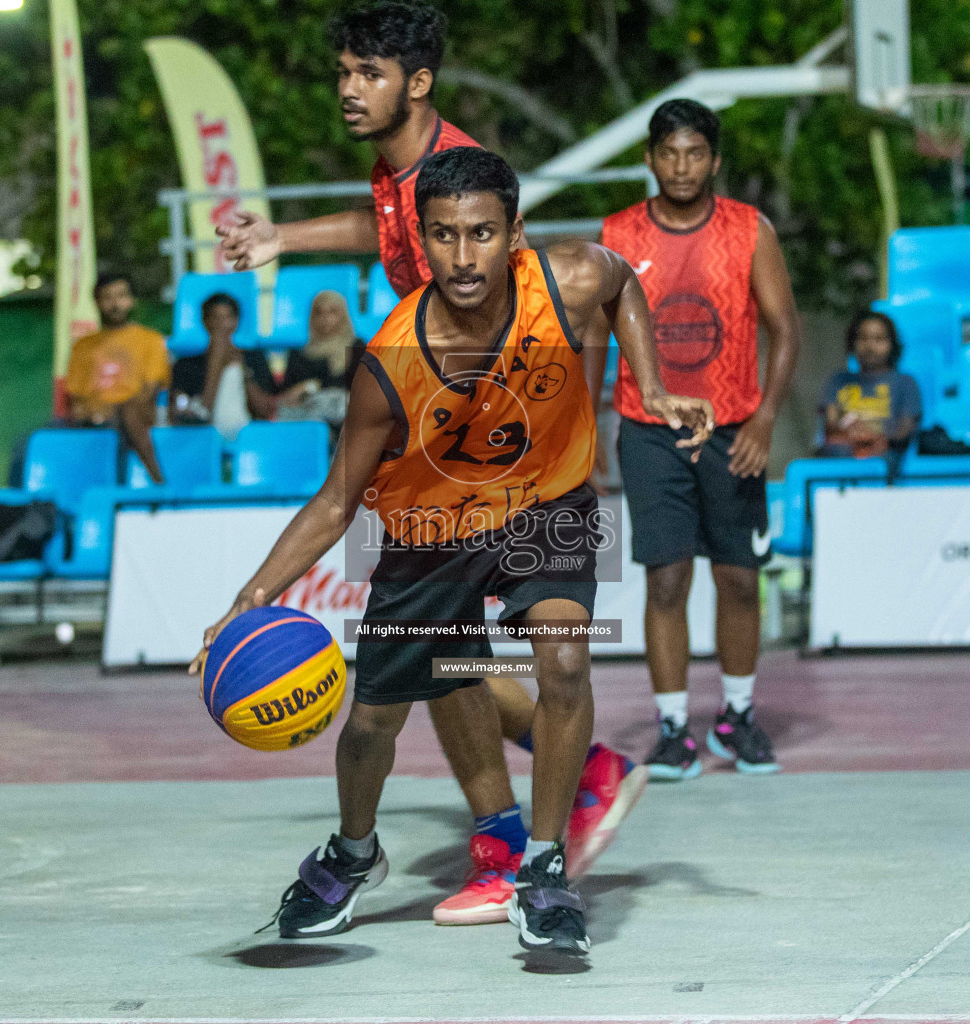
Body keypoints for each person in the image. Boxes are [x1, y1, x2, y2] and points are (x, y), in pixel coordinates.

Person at [194, 148, 714, 955]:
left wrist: (650, 385)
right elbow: (335, 501)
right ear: (423, 243)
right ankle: (352, 854)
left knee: (566, 665)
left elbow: (623, 283)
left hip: (547, 498)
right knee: (371, 723)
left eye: (480, 233)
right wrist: (245, 603)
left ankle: (543, 870)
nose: (462, 256)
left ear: (515, 233)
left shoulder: (567, 277)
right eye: (442, 236)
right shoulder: (391, 364)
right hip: (428, 528)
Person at [218, 0, 646, 926]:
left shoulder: (448, 181)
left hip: (507, 449)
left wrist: (630, 397)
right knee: (431, 670)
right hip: (432, 440)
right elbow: (385, 237)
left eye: (365, 74)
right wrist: (284, 239)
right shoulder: (398, 182)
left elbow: (604, 277)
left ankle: (522, 845)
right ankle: (554, 789)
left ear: (417, 83)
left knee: (514, 656)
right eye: (342, 72)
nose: (345, 90)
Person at [599, 99, 801, 781]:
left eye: (694, 153)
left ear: (714, 160)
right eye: (668, 153)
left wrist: (766, 419)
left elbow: (786, 327)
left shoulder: (750, 230)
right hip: (650, 429)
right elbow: (595, 334)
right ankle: (672, 729)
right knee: (667, 580)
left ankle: (738, 716)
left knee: (740, 580)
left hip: (734, 426)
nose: (681, 166)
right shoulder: (618, 233)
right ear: (651, 159)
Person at [64, 272, 170, 483]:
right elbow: (76, 397)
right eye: (107, 297)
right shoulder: (82, 347)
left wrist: (113, 410)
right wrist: (92, 413)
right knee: (29, 442)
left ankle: (158, 482)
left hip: (134, 416)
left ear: (132, 300)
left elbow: (148, 392)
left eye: (121, 296)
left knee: (128, 414)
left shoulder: (150, 340)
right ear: (97, 302)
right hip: (93, 418)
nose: (115, 304)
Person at [169, 292, 276, 442]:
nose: (220, 325)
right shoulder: (186, 365)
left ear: (236, 322)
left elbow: (265, 411)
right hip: (203, 440)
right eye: (215, 318)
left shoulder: (253, 358)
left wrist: (242, 370)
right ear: (205, 322)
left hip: (247, 438)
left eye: (227, 318)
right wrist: (216, 363)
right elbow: (198, 416)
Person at [819, 311, 921, 460]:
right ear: (852, 342)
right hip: (844, 454)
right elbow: (830, 423)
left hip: (887, 456)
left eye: (879, 339)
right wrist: (853, 435)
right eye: (863, 338)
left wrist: (875, 438)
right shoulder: (838, 381)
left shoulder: (905, 383)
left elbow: (905, 430)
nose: (870, 346)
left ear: (892, 343)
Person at [276, 291, 364, 429]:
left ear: (343, 315)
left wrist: (309, 387)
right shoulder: (299, 355)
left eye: (332, 312)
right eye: (319, 312)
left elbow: (361, 391)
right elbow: (289, 396)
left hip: (345, 420)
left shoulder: (356, 348)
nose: (325, 318)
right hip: (307, 417)